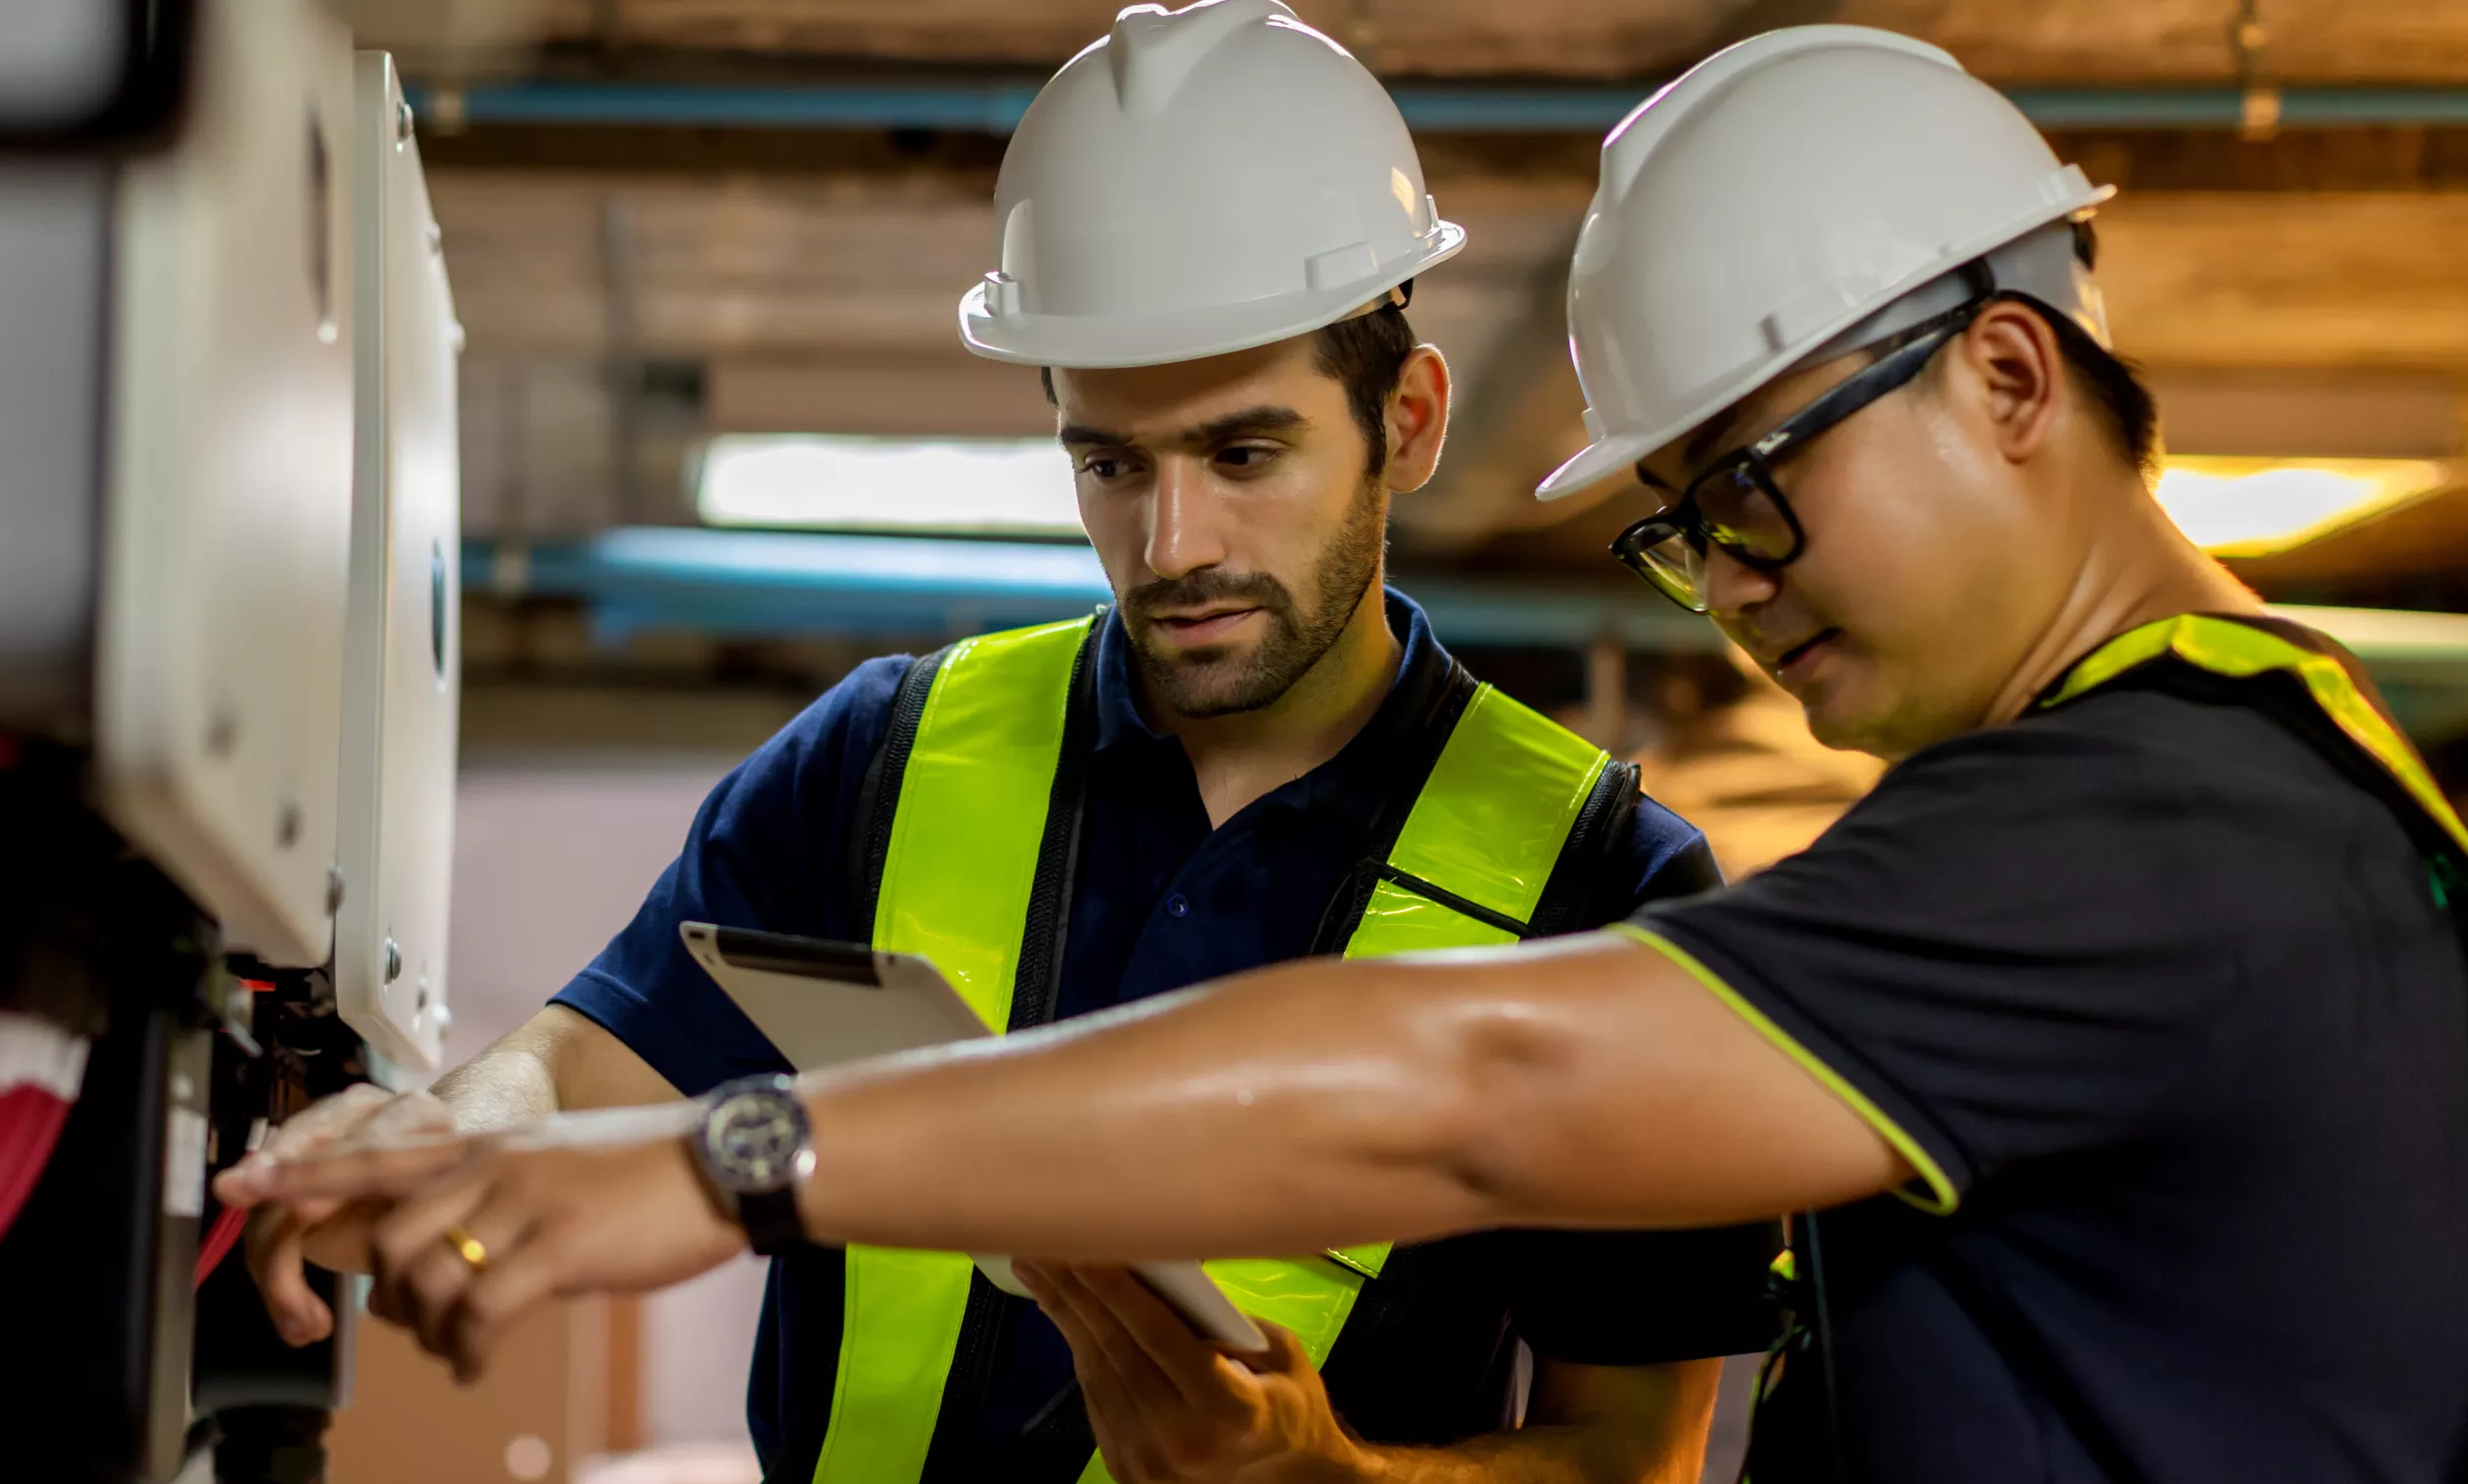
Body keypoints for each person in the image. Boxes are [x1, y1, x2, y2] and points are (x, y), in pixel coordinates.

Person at [220, 24, 2468, 1484]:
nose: (1739, 586)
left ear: (2003, 376)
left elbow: (1475, 1092)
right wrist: (467, 1126)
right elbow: (600, 1045)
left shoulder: (2151, 830)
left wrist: (727, 1166)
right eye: (1684, 531)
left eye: (1749, 492)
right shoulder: (897, 752)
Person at [233, 3, 1780, 1479]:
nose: (1172, 545)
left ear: (1415, 421)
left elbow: (1631, 1455)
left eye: (1246, 454)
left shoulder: (1609, 886)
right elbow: (578, 1071)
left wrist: (1330, 1482)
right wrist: (443, 1148)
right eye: (1110, 461)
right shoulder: (880, 759)